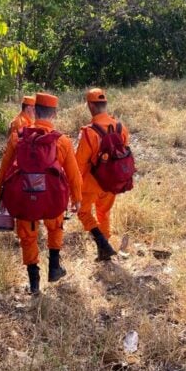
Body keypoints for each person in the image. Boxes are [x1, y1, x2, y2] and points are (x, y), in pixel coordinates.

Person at [0, 93, 82, 295]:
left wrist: (0, 197)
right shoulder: (61, 141)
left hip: (25, 200)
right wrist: (77, 199)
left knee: (28, 236)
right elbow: (74, 174)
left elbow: (4, 169)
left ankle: (34, 284)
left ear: (34, 111)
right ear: (54, 113)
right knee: (55, 226)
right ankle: (54, 267)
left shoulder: (18, 137)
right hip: (52, 200)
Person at [75, 88, 131, 261]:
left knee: (83, 212)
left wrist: (75, 187)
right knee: (104, 212)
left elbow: (80, 162)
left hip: (92, 183)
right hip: (113, 181)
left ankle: (102, 242)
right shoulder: (121, 128)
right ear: (105, 105)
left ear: (91, 106)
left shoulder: (89, 132)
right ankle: (104, 251)